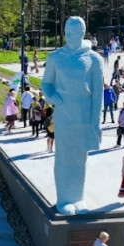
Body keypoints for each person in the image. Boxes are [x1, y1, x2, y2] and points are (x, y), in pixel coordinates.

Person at [40, 17, 103, 216]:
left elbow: (98, 94)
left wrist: (96, 123)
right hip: (65, 117)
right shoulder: (55, 57)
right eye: (67, 32)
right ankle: (64, 199)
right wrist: (51, 97)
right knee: (64, 159)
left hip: (84, 117)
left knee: (80, 160)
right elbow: (46, 83)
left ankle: (78, 198)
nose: (70, 36)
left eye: (74, 33)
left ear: (82, 34)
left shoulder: (93, 59)